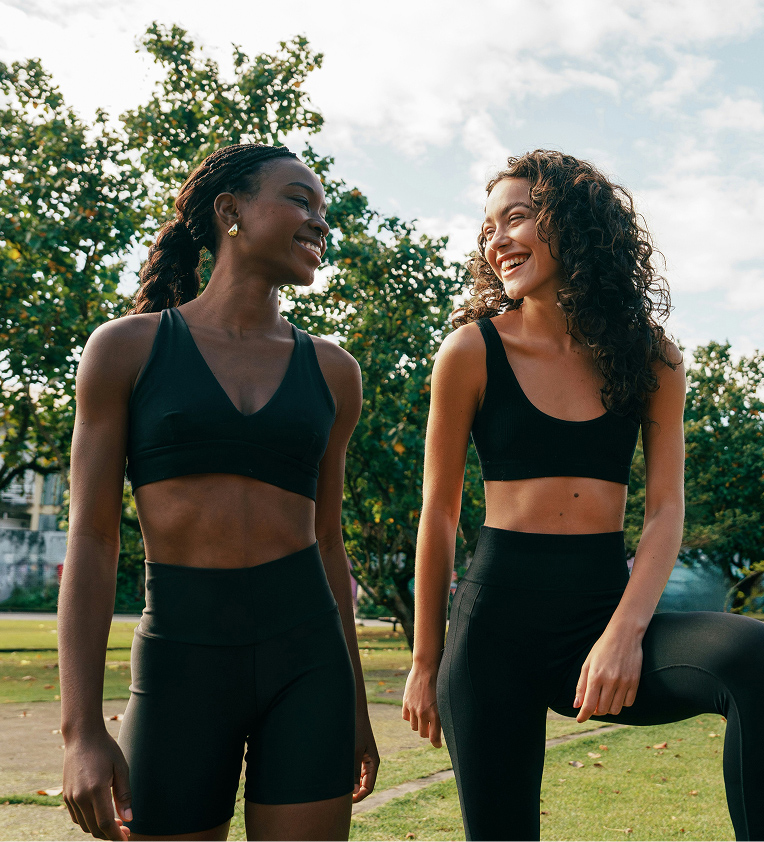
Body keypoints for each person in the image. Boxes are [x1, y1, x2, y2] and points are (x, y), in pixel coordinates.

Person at [401, 149, 764, 841]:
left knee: (751, 657)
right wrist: (425, 661)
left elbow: (664, 510)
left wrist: (624, 634)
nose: (496, 238)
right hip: (493, 633)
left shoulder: (651, 356)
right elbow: (439, 513)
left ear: (575, 222)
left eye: (517, 217)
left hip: (600, 614)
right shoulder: (471, 352)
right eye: (488, 228)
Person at [58, 143, 379, 842]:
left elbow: (327, 542)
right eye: (300, 200)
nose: (320, 222)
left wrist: (354, 704)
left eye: (324, 211)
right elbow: (92, 537)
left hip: (308, 663)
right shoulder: (126, 349)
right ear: (230, 212)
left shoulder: (333, 371)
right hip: (180, 659)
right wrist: (81, 730)